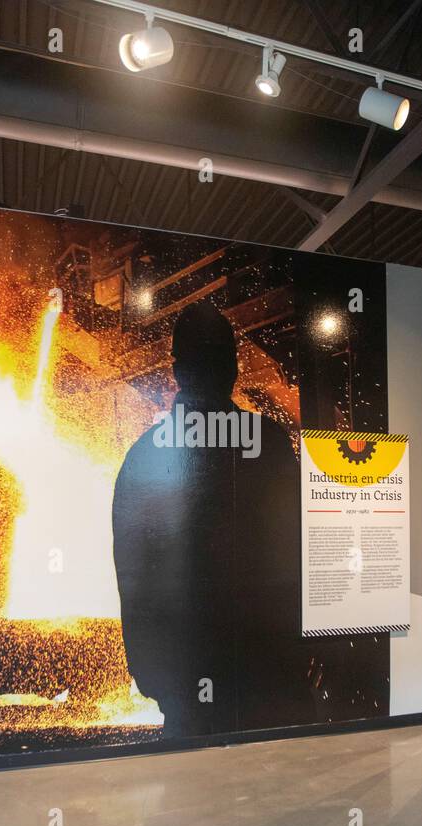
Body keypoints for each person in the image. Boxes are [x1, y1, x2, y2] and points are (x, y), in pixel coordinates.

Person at [112, 301, 313, 738]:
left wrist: (151, 671)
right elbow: (298, 550)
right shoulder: (269, 442)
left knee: (192, 799)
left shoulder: (145, 454)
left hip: (186, 683)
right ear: (233, 368)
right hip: (267, 677)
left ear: (177, 370)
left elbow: (132, 572)